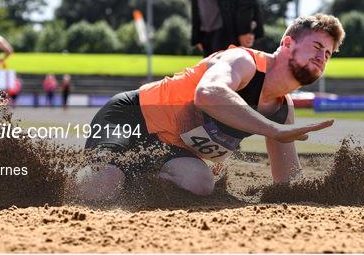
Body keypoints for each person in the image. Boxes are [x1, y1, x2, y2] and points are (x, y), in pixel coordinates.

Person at [75, 14, 345, 201]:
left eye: (328, 54)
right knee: (103, 184)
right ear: (288, 43)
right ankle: (51, 177)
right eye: (317, 46)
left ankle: (133, 175)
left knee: (201, 184)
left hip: (171, 148)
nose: (322, 57)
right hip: (133, 116)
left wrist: (330, 191)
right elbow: (208, 93)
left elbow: (288, 181)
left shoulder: (281, 110)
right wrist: (271, 129)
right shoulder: (244, 61)